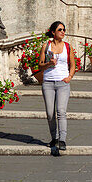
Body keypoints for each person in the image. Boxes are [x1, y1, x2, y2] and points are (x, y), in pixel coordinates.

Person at [39, 21, 77, 157]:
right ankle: (53, 137)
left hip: (63, 83)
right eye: (60, 29)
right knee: (50, 113)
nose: (63, 32)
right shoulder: (46, 46)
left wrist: (70, 76)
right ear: (53, 32)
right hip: (48, 83)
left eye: (64, 30)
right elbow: (40, 65)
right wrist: (49, 63)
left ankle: (62, 140)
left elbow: (73, 64)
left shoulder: (68, 46)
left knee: (61, 111)